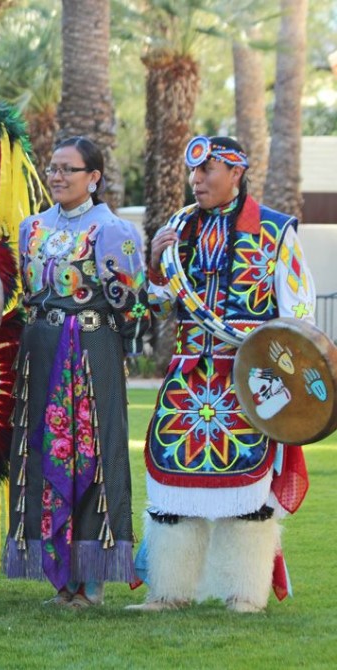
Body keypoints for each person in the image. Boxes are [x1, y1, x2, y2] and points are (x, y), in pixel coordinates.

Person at [129, 136, 314, 613]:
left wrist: (282, 371)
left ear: (236, 172)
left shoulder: (274, 230)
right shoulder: (178, 230)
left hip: (248, 381)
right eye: (193, 172)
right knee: (172, 480)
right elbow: (155, 305)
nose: (196, 180)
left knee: (248, 489)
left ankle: (244, 594)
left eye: (208, 170)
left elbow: (298, 312)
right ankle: (168, 592)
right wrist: (154, 263)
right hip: (188, 379)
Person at [4, 136, 150, 608]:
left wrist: (103, 338)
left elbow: (133, 305)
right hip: (42, 348)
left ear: (94, 177)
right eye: (52, 168)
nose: (57, 176)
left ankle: (92, 581)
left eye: (68, 169)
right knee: (43, 453)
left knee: (94, 449)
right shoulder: (31, 228)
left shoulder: (115, 232)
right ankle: (61, 580)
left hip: (93, 349)